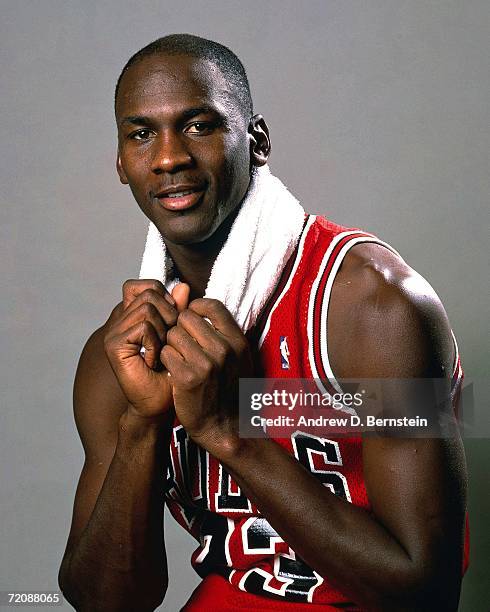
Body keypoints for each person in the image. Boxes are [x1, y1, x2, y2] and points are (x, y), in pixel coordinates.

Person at [58, 34, 468, 611]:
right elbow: (104, 600)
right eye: (142, 133)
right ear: (122, 163)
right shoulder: (121, 352)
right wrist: (143, 425)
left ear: (257, 141)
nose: (170, 156)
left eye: (200, 125)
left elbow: (429, 592)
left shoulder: (379, 307)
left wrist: (229, 431)